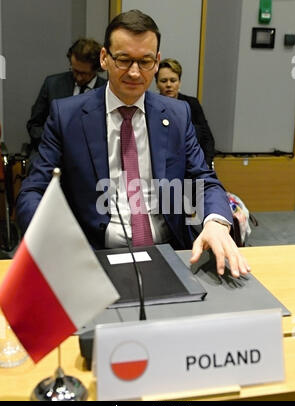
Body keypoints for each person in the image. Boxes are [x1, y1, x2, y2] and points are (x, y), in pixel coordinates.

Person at [16, 9, 250, 278]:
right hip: (92, 259)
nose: (135, 73)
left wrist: (216, 223)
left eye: (146, 61)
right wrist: (52, 241)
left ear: (157, 60)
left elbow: (204, 180)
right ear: (104, 58)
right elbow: (33, 191)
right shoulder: (67, 116)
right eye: (124, 60)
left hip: (170, 252)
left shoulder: (176, 114)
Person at [26, 38, 106, 152]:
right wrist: (51, 143)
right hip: (52, 151)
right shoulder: (52, 84)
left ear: (97, 69)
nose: (78, 77)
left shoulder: (106, 90)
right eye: (75, 70)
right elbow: (34, 125)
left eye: (84, 73)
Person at [155, 58, 215, 169]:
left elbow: (208, 139)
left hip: (191, 165)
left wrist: (205, 166)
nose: (168, 85)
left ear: (179, 82)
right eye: (163, 81)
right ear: (156, 84)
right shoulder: (152, 107)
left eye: (173, 80)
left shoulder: (192, 104)